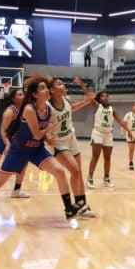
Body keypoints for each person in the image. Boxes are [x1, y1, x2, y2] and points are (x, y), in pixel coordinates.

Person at [0, 74, 87, 226]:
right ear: (34, 94)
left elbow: (40, 134)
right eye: (42, 88)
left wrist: (47, 139)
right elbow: (38, 133)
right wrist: (48, 130)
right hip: (19, 150)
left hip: (36, 149)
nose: (46, 90)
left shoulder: (48, 109)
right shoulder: (29, 109)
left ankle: (68, 209)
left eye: (46, 88)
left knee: (60, 172)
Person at [48, 77, 97, 218]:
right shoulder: (47, 106)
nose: (63, 85)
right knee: (75, 170)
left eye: (62, 83)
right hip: (58, 143)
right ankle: (77, 206)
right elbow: (41, 123)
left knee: (78, 172)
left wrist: (86, 101)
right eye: (59, 84)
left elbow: (71, 108)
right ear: (52, 90)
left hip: (71, 138)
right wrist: (46, 135)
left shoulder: (66, 101)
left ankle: (82, 206)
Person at [78, 86, 129, 189]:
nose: (105, 97)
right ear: (99, 99)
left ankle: (106, 179)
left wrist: (129, 131)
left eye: (106, 96)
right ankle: (90, 179)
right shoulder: (97, 106)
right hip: (98, 132)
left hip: (108, 134)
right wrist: (82, 84)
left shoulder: (112, 109)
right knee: (95, 156)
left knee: (107, 158)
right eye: (103, 96)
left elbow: (120, 121)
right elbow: (88, 96)